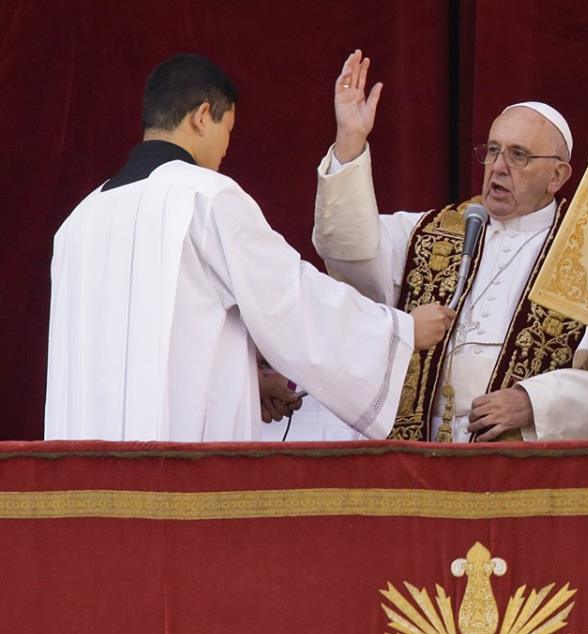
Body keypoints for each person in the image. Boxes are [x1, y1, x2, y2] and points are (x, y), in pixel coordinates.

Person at [45, 53, 453, 442]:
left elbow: (131, 350)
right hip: (174, 461)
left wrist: (248, 379)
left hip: (88, 457)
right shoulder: (206, 197)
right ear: (202, 116)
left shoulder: (79, 220)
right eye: (228, 130)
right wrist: (397, 331)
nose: (226, 148)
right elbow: (289, 299)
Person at [300, 50, 588, 443]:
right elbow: (347, 248)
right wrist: (350, 140)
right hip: (422, 450)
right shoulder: (431, 233)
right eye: (492, 150)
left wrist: (534, 403)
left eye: (518, 155)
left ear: (557, 176)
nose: (498, 166)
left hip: (524, 455)